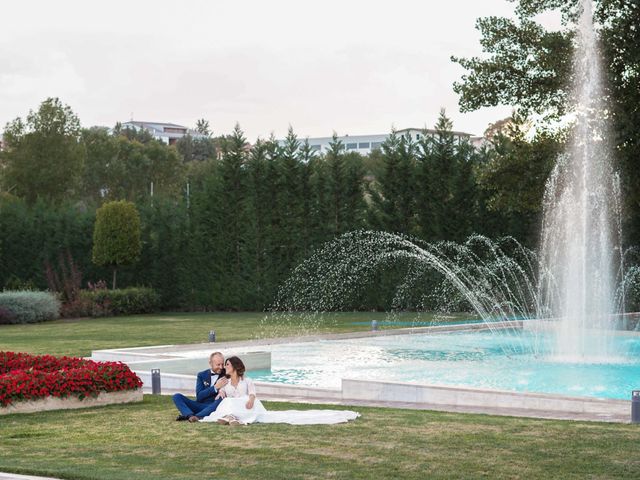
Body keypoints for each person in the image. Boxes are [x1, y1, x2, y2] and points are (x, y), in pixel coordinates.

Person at [200, 356, 359, 426]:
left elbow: (253, 393)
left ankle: (235, 418)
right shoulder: (225, 383)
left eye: (227, 364)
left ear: (234, 367)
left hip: (248, 406)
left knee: (239, 400)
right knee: (228, 401)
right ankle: (232, 418)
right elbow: (223, 394)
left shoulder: (247, 381)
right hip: (235, 406)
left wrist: (250, 400)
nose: (225, 367)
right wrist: (219, 393)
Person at [172, 351, 228, 422]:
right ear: (210, 363)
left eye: (222, 364)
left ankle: (196, 416)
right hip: (199, 405)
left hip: (215, 406)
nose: (221, 367)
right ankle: (190, 415)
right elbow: (199, 396)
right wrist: (215, 388)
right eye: (218, 364)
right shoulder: (201, 375)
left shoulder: (226, 374)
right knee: (177, 396)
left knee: (221, 399)